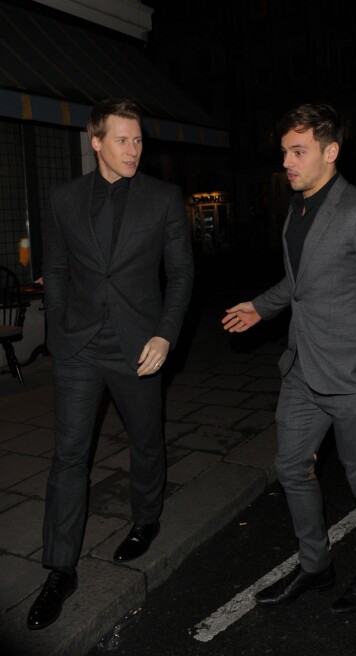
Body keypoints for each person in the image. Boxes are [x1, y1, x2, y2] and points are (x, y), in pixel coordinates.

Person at [222, 103, 356, 614]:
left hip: (355, 380)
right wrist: (260, 308)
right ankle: (315, 565)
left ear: (330, 152)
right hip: (303, 371)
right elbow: (301, 283)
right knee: (291, 468)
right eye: (285, 151)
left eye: (298, 151)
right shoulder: (297, 209)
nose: (287, 161)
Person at [27, 98, 194, 630]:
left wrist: (166, 336)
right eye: (122, 140)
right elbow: (53, 267)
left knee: (146, 440)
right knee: (68, 455)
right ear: (95, 142)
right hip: (78, 346)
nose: (133, 150)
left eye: (139, 140)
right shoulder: (63, 198)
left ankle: (146, 519)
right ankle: (59, 568)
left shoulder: (163, 198)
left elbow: (183, 275)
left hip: (138, 345)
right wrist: (56, 330)